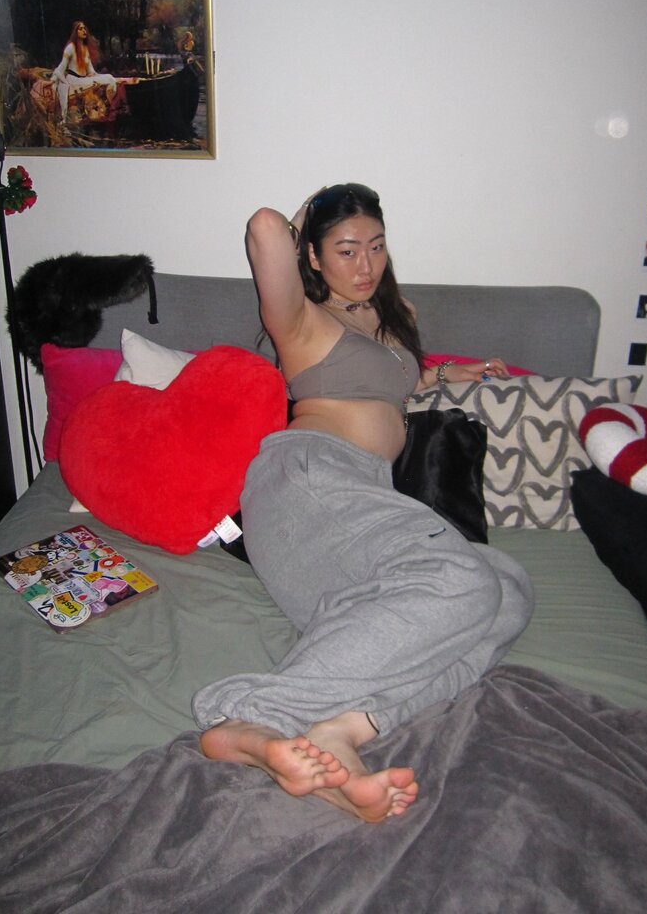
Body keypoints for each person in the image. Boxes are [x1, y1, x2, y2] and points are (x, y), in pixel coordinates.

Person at [194, 183, 534, 822]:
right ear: (313, 257)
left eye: (376, 246)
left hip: (359, 499)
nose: (365, 264)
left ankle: (342, 727)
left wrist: (443, 375)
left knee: (508, 587)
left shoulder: (392, 314)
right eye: (346, 250)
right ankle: (251, 715)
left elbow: (388, 382)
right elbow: (263, 227)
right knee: (459, 578)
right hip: (309, 479)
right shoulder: (301, 321)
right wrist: (308, 217)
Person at [51, 21, 118, 120]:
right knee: (108, 79)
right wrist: (57, 80)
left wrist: (95, 75)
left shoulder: (85, 49)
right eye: (80, 29)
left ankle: (109, 106)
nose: (84, 31)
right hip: (73, 80)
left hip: (83, 79)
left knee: (110, 78)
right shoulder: (70, 47)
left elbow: (91, 71)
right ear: (75, 32)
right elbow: (61, 67)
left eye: (84, 28)